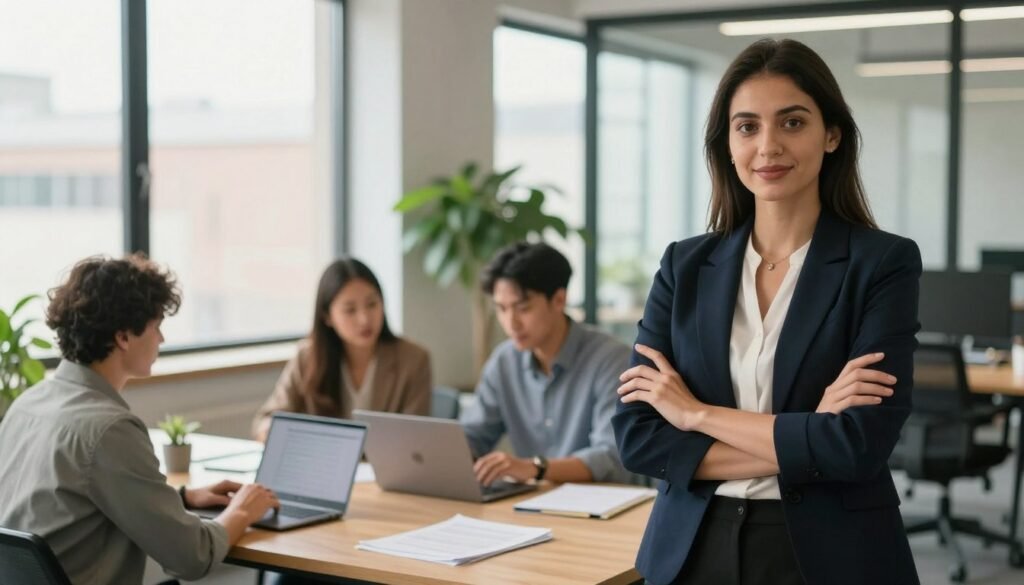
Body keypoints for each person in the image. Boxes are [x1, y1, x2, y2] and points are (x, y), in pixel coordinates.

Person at [612, 38, 921, 585]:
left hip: (828, 554)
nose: (768, 145)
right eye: (748, 126)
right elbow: (639, 438)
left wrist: (695, 416)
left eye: (793, 123)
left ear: (831, 135)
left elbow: (857, 447)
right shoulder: (684, 266)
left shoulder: (882, 263)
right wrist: (809, 433)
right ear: (727, 145)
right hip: (691, 547)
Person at [0, 254, 279, 585]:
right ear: (123, 337)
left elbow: (69, 504)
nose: (161, 339)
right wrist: (243, 510)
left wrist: (183, 499)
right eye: (156, 326)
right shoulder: (109, 429)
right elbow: (192, 557)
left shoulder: (28, 405)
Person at [460, 242, 634, 486]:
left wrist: (534, 468)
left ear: (559, 300)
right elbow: (472, 435)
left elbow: (612, 457)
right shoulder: (504, 361)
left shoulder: (611, 359)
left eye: (523, 308)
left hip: (603, 506)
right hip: (534, 503)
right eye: (501, 309)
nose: (511, 323)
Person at [253, 257, 431, 441]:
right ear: (327, 317)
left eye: (372, 304)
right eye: (350, 310)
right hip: (325, 465)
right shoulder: (307, 357)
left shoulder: (413, 359)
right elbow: (267, 419)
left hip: (385, 469)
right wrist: (271, 430)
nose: (364, 319)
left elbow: (413, 439)